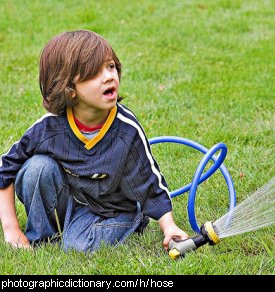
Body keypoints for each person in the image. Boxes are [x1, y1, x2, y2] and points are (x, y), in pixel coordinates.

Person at [0, 30, 189, 253]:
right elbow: (5, 169)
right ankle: (42, 237)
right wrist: (11, 229)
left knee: (77, 246)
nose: (109, 76)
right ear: (69, 89)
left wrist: (169, 227)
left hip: (112, 208)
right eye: (94, 73)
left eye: (110, 66)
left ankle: (132, 220)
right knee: (36, 168)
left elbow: (150, 183)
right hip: (73, 198)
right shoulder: (49, 128)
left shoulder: (126, 130)